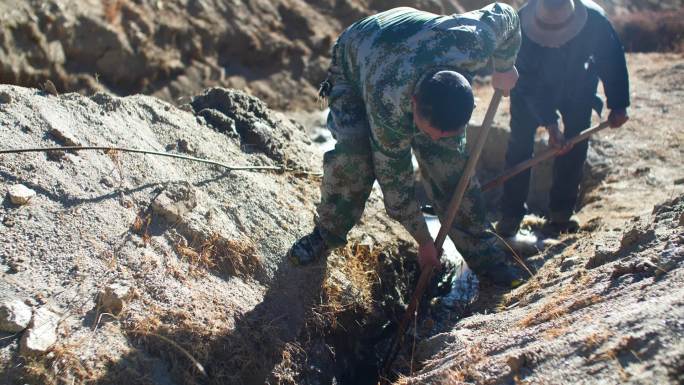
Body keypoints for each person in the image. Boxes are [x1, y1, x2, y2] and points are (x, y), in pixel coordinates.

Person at [288, 3, 524, 286]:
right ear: (413, 105)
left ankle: (488, 261)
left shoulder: (474, 40)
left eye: (446, 134)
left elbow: (507, 14)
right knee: (355, 158)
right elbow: (396, 186)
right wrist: (424, 242)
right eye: (431, 131)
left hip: (413, 40)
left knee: (452, 172)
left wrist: (505, 65)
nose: (437, 139)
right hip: (356, 54)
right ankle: (325, 234)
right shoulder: (388, 105)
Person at [496, 0, 630, 237]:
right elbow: (525, 82)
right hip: (531, 91)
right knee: (519, 146)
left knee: (575, 144)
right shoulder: (520, 27)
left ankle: (561, 215)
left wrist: (618, 104)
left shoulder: (595, 21)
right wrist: (550, 123)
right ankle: (510, 216)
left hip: (577, 85)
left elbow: (612, 61)